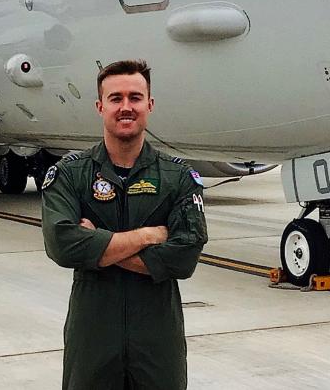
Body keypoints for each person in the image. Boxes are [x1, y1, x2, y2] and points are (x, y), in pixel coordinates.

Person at [41, 59, 208, 389]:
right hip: (92, 339)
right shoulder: (71, 173)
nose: (126, 107)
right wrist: (148, 236)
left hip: (157, 340)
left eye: (135, 97)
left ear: (150, 105)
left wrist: (99, 246)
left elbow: (185, 256)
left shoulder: (177, 176)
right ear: (100, 106)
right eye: (116, 98)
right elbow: (62, 244)